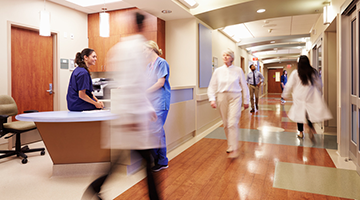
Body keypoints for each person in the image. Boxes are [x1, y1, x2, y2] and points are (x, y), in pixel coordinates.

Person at [83, 12, 161, 200]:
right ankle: (96, 187)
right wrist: (134, 116)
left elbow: (132, 84)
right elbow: (132, 83)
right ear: (142, 26)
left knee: (124, 159)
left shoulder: (119, 48)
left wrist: (146, 109)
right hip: (131, 116)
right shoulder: (134, 49)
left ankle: (96, 187)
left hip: (130, 114)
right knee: (145, 160)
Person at [207, 49, 250, 158]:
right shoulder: (218, 71)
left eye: (228, 55)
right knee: (226, 123)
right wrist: (212, 99)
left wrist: (246, 100)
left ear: (232, 58)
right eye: (224, 55)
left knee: (232, 122)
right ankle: (230, 144)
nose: (225, 57)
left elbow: (244, 86)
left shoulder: (238, 70)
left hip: (235, 96)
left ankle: (234, 147)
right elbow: (212, 86)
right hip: (222, 97)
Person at [282, 55, 332, 140]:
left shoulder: (295, 73)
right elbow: (319, 84)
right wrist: (319, 93)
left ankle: (300, 132)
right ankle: (310, 128)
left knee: (299, 114)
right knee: (309, 113)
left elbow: (289, 85)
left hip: (299, 96)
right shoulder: (313, 72)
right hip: (310, 95)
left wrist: (284, 95)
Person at [144, 40, 171, 172]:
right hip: (151, 104)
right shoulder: (149, 66)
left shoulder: (162, 63)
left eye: (144, 50)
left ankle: (161, 161)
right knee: (155, 132)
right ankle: (158, 160)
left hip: (160, 102)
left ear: (151, 49)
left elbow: (161, 83)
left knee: (156, 132)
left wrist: (145, 92)